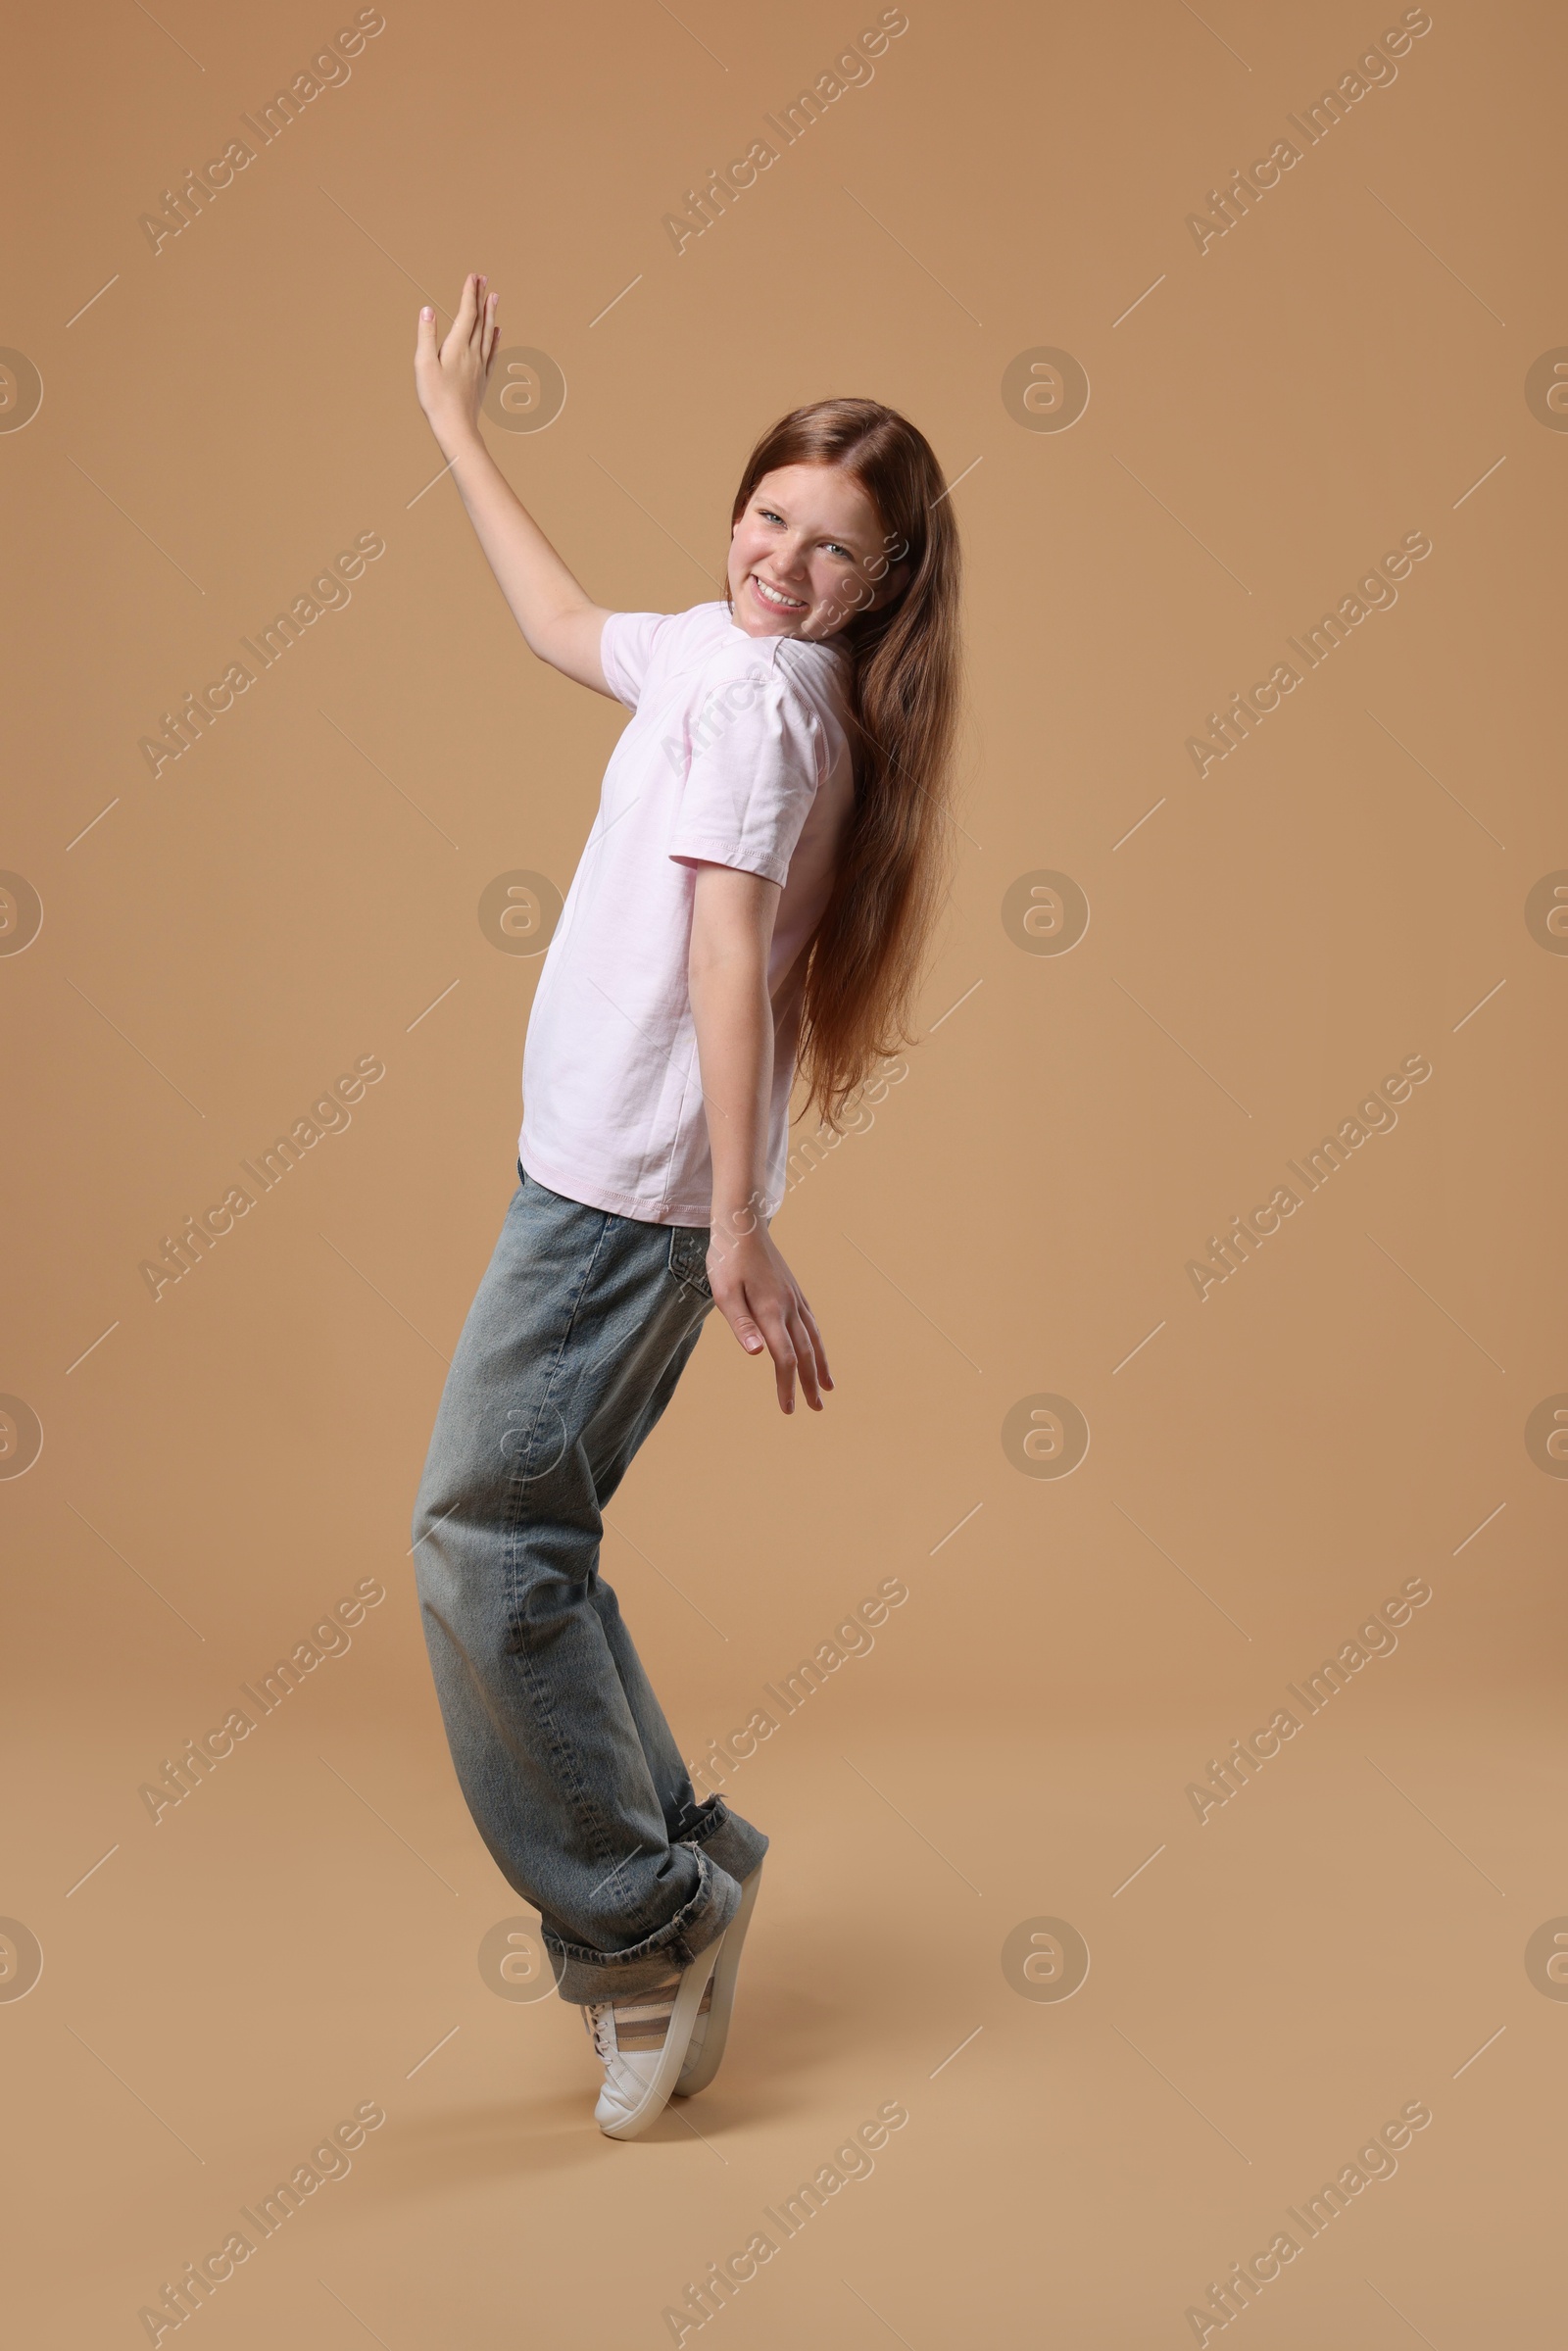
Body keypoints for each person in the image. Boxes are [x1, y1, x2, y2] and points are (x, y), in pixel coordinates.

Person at [408, 274, 961, 2137]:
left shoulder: (753, 695)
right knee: (528, 1543)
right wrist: (457, 428)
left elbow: (731, 953)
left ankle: (645, 1931)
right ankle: (684, 1864)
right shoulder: (741, 667)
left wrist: (730, 1222)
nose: (786, 558)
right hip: (601, 1174)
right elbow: (566, 621)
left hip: (626, 1197)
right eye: (771, 514)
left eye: (834, 547)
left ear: (880, 590)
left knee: (482, 1550)